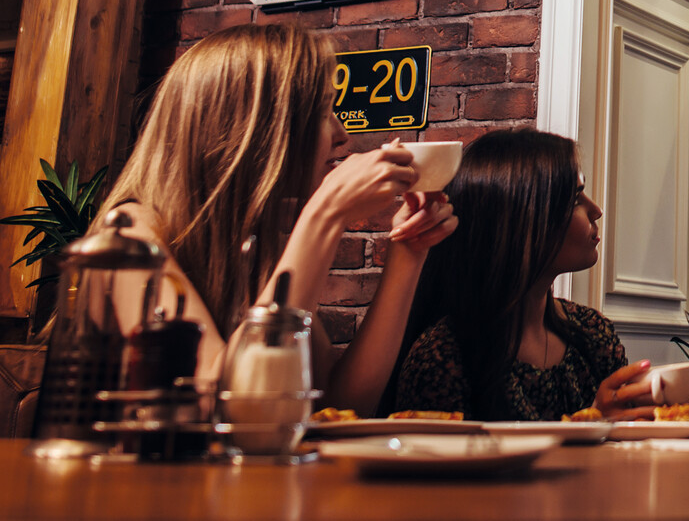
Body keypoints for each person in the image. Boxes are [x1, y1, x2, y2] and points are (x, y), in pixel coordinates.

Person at [101, 23, 456, 415]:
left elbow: (338, 403)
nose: (342, 134)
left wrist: (407, 251)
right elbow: (219, 408)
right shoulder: (127, 240)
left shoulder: (251, 248)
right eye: (322, 112)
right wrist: (325, 213)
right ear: (251, 128)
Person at [391, 130, 657, 421]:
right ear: (519, 221)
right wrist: (593, 425)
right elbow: (439, 452)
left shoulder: (593, 334)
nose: (596, 210)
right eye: (573, 199)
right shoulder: (442, 357)